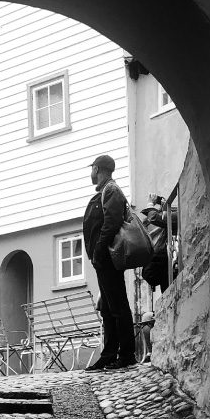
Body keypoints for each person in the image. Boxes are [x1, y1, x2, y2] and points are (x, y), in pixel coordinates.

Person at [82, 154, 137, 370]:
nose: (91, 173)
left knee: (118, 306)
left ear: (97, 168)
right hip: (102, 260)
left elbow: (112, 223)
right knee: (108, 308)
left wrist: (98, 250)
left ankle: (126, 355)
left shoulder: (111, 190)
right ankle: (109, 353)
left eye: (92, 169)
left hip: (107, 258)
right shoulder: (105, 191)